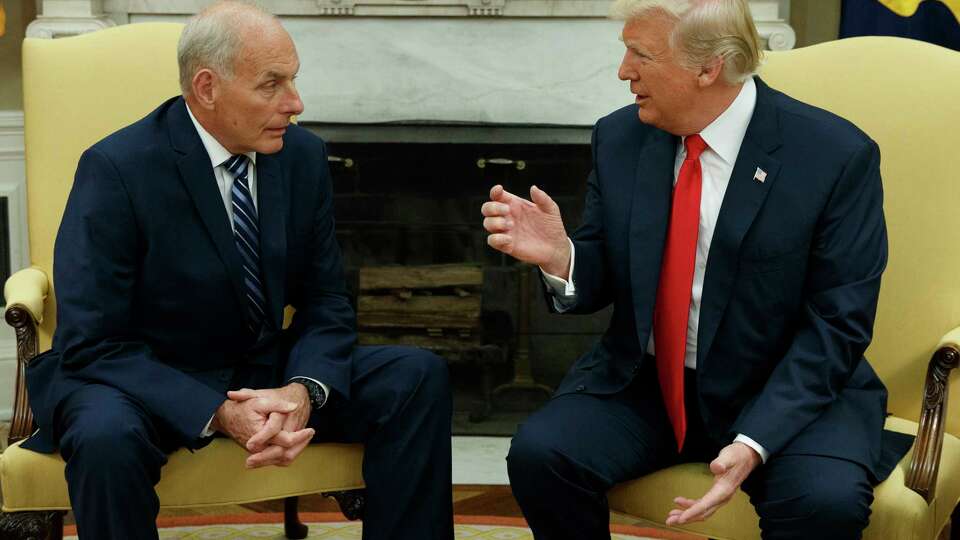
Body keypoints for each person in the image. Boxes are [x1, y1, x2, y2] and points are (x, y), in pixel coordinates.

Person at [482, 0, 913, 537]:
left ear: (708, 68)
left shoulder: (833, 156)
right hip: (653, 386)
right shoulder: (620, 138)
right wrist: (561, 257)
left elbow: (837, 324)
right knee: (541, 456)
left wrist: (754, 441)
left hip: (788, 388)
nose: (622, 72)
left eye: (640, 55)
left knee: (823, 504)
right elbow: (604, 272)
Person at [22, 2, 454, 539]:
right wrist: (218, 412)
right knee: (105, 435)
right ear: (207, 88)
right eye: (271, 85)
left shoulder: (301, 157)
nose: (295, 103)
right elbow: (93, 341)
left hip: (258, 370)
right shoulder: (117, 169)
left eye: (293, 80)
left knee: (416, 377)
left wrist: (301, 391)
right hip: (141, 375)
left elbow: (326, 301)